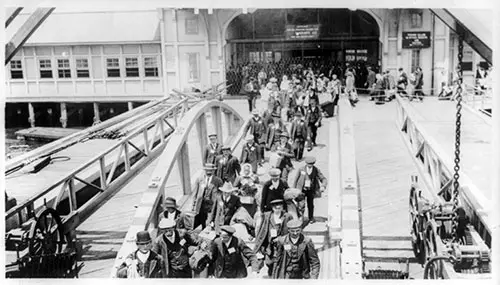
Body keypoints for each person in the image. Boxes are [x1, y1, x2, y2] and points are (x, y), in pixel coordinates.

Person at [253, 199, 293, 277]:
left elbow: (291, 231)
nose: (277, 207)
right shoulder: (267, 216)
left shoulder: (287, 216)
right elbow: (261, 230)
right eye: (275, 206)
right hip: (269, 246)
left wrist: (282, 239)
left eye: (279, 206)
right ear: (272, 207)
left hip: (282, 245)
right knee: (269, 263)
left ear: (282, 207)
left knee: (282, 264)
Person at [292, 157, 327, 224]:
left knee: (310, 204)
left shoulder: (316, 170)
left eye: (311, 164)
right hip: (301, 189)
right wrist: (294, 189)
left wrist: (323, 186)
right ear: (306, 163)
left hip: (311, 190)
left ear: (313, 164)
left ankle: (311, 217)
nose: (310, 165)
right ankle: (301, 217)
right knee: (301, 204)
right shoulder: (301, 169)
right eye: (308, 164)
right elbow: (295, 180)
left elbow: (323, 179)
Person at [191, 164, 223, 230]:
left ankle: (208, 230)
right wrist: (193, 204)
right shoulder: (199, 179)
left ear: (213, 171)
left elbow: (220, 194)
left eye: (211, 171)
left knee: (209, 219)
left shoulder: (218, 181)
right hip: (201, 203)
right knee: (200, 218)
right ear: (205, 170)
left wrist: (220, 205)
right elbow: (195, 193)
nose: (209, 172)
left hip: (211, 203)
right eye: (207, 170)